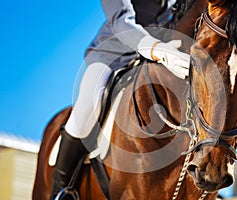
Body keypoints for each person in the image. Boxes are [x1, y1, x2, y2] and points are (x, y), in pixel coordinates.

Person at [51, 0, 190, 198]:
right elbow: (121, 21)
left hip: (157, 61)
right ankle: (61, 189)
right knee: (90, 104)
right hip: (112, 56)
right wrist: (156, 48)